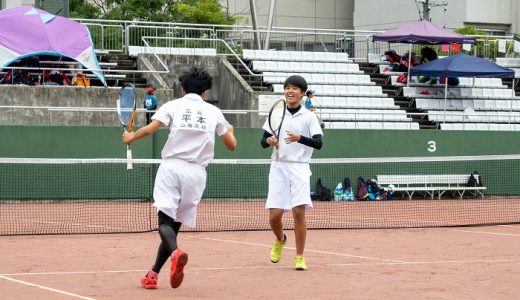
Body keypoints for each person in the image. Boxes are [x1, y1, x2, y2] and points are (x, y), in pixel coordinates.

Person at [122, 67, 237, 290]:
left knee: (164, 224)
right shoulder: (214, 112)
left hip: (172, 169)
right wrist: (230, 131)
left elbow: (149, 129)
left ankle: (175, 253)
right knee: (172, 228)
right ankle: (153, 274)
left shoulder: (173, 105)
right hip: (196, 175)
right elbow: (231, 146)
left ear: (182, 88)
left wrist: (130, 137)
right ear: (205, 91)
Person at [260, 75, 324, 271]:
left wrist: (299, 138)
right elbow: (263, 140)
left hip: (300, 167)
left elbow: (319, 143)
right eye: (287, 87)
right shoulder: (277, 114)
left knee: (298, 212)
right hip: (278, 167)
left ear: (302, 93)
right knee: (274, 217)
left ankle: (299, 256)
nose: (290, 91)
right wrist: (268, 141)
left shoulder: (309, 116)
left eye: (295, 88)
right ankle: (280, 239)